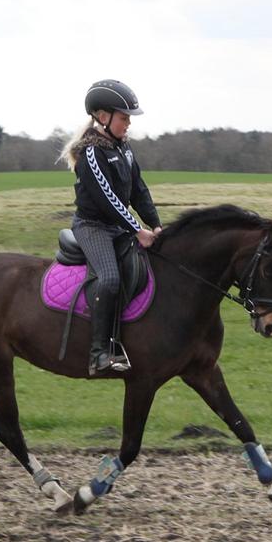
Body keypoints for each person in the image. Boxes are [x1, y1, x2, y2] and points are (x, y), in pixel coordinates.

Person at [60, 79, 162, 376]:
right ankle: (99, 353)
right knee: (109, 278)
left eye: (129, 117)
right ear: (102, 117)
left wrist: (155, 224)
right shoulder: (91, 153)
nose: (128, 123)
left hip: (116, 227)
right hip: (92, 227)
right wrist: (137, 230)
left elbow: (138, 191)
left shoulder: (125, 149)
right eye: (124, 117)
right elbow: (108, 200)